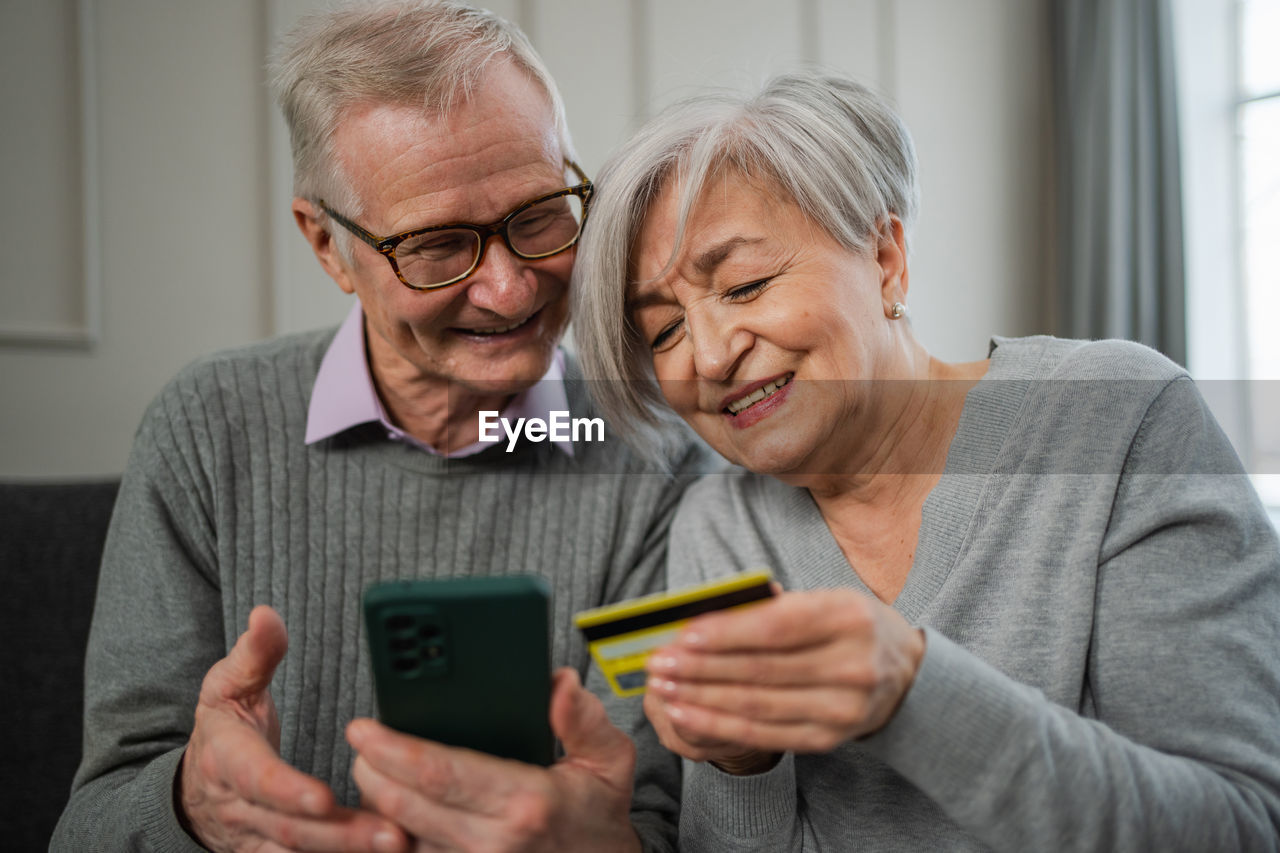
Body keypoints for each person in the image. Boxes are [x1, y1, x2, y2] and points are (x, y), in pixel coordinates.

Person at [52, 2, 708, 851]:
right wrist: (189, 805)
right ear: (328, 246)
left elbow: (659, 819)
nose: (510, 289)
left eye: (540, 214)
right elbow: (88, 826)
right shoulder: (207, 428)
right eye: (438, 244)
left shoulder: (655, 455)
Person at [571, 70, 1280, 850]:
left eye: (745, 284)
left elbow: (1240, 825)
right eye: (664, 331)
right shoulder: (718, 525)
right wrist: (742, 768)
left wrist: (914, 692)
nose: (708, 354)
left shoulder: (1115, 417)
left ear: (885, 258)